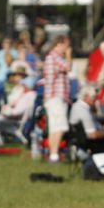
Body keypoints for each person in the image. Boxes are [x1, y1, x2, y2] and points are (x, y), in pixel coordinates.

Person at [42, 35, 72, 163]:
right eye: (66, 45)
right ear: (59, 44)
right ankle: (54, 155)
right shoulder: (54, 57)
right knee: (60, 126)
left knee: (55, 128)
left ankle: (53, 154)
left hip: (53, 97)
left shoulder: (51, 57)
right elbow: (68, 67)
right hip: (56, 97)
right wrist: (69, 55)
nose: (67, 48)